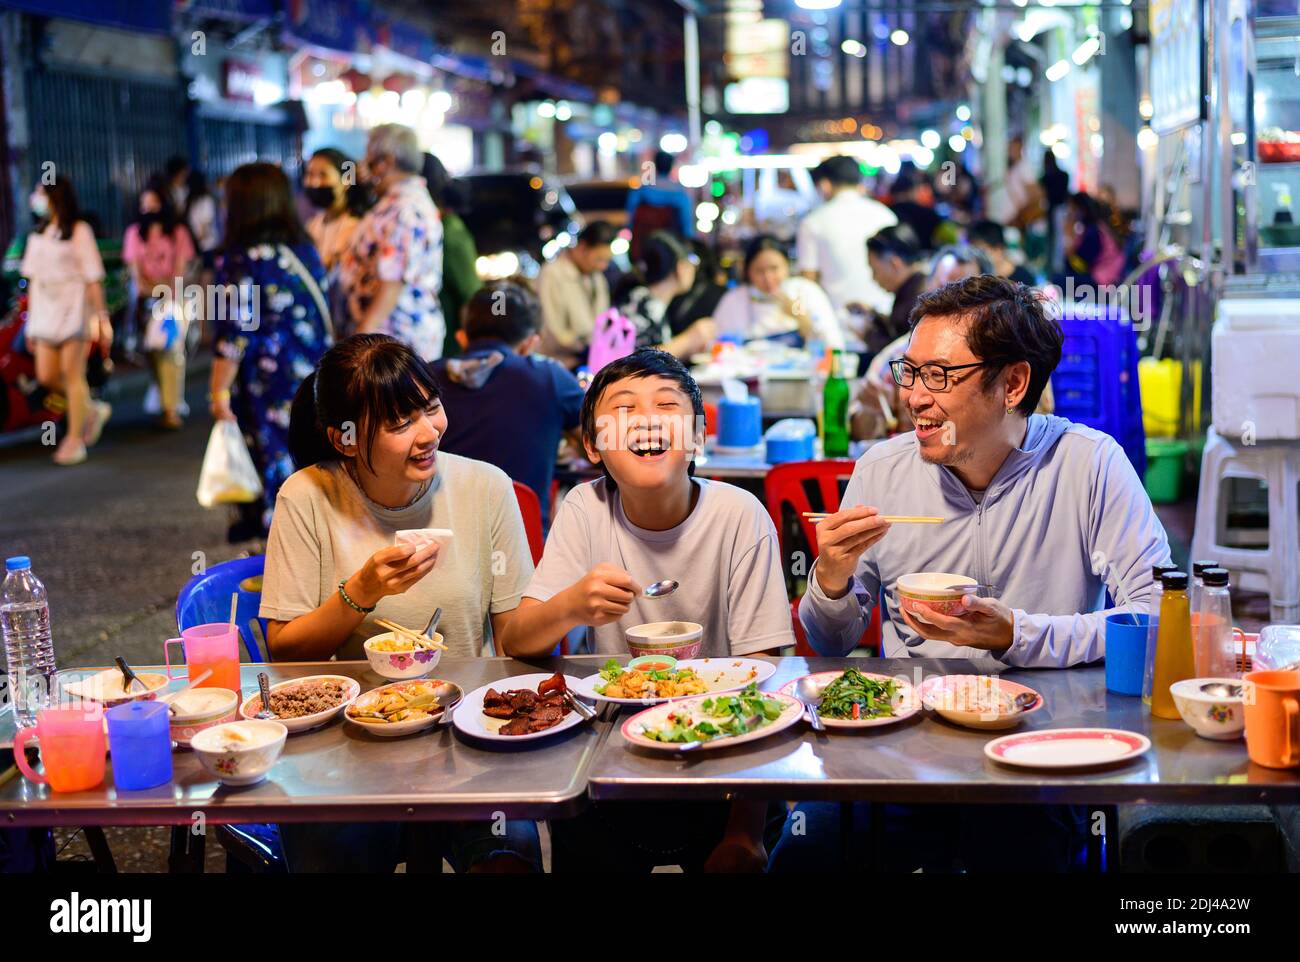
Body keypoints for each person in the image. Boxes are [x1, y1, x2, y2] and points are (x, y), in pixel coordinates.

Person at [497, 349, 794, 873]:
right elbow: (518, 642)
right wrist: (570, 606)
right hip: (611, 766)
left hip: (726, 764)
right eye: (625, 408)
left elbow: (764, 680)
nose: (649, 419)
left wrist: (745, 834)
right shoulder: (585, 508)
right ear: (592, 444)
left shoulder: (740, 516)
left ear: (698, 437)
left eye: (666, 405)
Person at [261, 334, 540, 872]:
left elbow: (514, 640)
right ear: (345, 440)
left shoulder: (486, 488)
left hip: (468, 734)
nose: (428, 432)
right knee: (327, 853)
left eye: (430, 408)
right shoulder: (306, 496)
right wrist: (361, 593)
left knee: (511, 853)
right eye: (399, 423)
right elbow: (284, 650)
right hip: (347, 744)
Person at [801, 274, 1170, 666]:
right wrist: (830, 580)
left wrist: (1018, 634)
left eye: (938, 375)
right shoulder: (882, 471)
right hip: (920, 711)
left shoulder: (1088, 464)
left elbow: (1158, 616)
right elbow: (830, 643)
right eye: (909, 372)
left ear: (1013, 384)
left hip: (1050, 717)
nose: (914, 397)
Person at [209, 162, 333, 542]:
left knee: (273, 469)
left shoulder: (239, 259)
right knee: (308, 465)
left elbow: (234, 332)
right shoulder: (303, 249)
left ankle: (282, 569)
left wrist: (216, 391)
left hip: (266, 384)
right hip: (313, 376)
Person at [430, 281, 583, 528]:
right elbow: (596, 447)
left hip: (439, 546)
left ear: (463, 337)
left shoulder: (424, 378)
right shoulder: (551, 379)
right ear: (530, 343)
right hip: (525, 549)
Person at [19, 175, 112, 465]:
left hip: (74, 311)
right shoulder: (37, 235)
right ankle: (91, 409)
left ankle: (74, 440)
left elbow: (93, 277)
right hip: (44, 315)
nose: (36, 199)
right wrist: (30, 324)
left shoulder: (80, 231)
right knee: (46, 376)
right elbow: (32, 281)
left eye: (40, 193)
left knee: (73, 375)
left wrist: (101, 317)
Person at [339, 124, 445, 361]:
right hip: (387, 339)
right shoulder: (398, 203)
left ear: (385, 161)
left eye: (368, 156)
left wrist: (357, 345)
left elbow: (392, 283)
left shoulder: (404, 209)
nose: (362, 165)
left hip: (392, 344)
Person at [123, 178, 196, 430]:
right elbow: (137, 277)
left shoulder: (179, 233)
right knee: (153, 353)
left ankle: (171, 408)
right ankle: (165, 397)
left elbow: (180, 273)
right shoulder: (134, 234)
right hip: (146, 304)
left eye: (154, 203)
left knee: (172, 352)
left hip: (174, 302)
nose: (149, 209)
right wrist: (155, 287)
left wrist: (164, 288)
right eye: (144, 204)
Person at [797, 155, 897, 318]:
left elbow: (807, 282)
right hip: (887, 315)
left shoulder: (812, 222)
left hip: (839, 321)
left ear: (824, 185)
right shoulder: (886, 215)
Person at [712, 235, 843, 348]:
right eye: (760, 271)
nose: (768, 278)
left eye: (774, 268)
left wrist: (798, 314)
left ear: (787, 265)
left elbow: (832, 343)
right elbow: (717, 345)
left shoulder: (805, 290)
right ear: (747, 271)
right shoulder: (734, 300)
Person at [618, 231, 715, 359]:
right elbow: (634, 360)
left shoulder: (648, 301)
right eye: (692, 263)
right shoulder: (641, 302)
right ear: (681, 267)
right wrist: (690, 339)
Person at [421, 153, 481, 359]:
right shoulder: (431, 226)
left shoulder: (450, 232)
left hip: (445, 352)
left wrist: (471, 354)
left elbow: (470, 296)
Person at [536, 220, 615, 368]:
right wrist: (585, 348)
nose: (603, 266)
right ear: (582, 247)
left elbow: (603, 322)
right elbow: (552, 332)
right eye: (599, 259)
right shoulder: (552, 274)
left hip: (592, 362)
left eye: (607, 261)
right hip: (560, 366)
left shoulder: (597, 277)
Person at [303, 147, 365, 275]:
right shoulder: (312, 225)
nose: (314, 183)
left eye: (323, 175)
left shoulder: (357, 228)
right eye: (310, 174)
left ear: (347, 180)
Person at [625, 149, 693, 261]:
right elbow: (686, 226)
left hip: (643, 246)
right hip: (671, 247)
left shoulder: (641, 191)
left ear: (655, 165)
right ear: (671, 167)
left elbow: (631, 217)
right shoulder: (680, 194)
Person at [1062, 191, 1126, 288]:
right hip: (1101, 277)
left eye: (1073, 208)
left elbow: (1080, 266)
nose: (1070, 212)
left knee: (1058, 280)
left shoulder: (1093, 232)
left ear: (1081, 209)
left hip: (1104, 281)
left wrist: (1068, 236)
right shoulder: (1093, 228)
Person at [887, 165, 943, 254]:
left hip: (895, 259)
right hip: (924, 257)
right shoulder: (928, 213)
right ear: (911, 191)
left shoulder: (886, 212)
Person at [969, 219, 1037, 285]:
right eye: (974, 252)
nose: (977, 257)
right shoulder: (980, 278)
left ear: (998, 249)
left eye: (981, 251)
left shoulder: (1024, 278)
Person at [1040, 149, 1071, 275]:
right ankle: (1057, 267)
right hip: (1062, 209)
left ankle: (1054, 268)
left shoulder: (1045, 178)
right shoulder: (1064, 175)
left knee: (1054, 240)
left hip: (1052, 210)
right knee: (1060, 240)